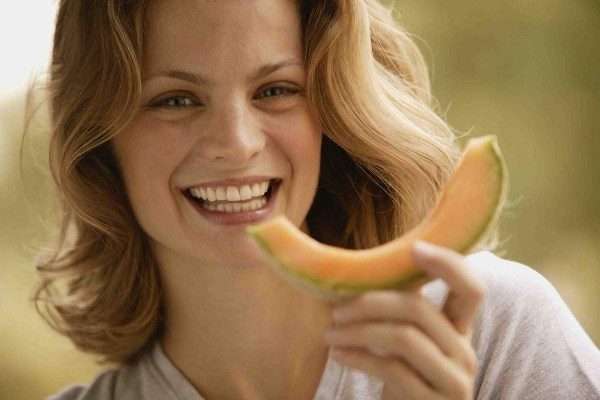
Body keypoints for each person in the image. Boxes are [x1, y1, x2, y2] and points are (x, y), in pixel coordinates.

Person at [29, 0, 599, 399]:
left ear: (333, 109)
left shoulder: (497, 330)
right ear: (103, 142)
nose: (236, 144)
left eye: (276, 90)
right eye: (175, 100)